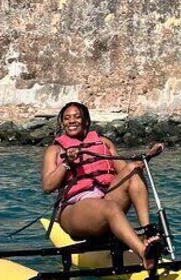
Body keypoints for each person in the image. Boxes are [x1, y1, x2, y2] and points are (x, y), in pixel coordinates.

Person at [41, 101, 161, 269]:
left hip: (105, 199)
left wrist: (148, 156)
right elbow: (47, 186)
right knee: (109, 207)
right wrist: (67, 162)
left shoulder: (104, 143)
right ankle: (144, 253)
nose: (72, 121)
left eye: (77, 117)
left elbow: (125, 170)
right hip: (74, 210)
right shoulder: (54, 150)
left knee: (133, 169)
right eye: (67, 118)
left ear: (86, 121)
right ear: (62, 123)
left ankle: (147, 231)